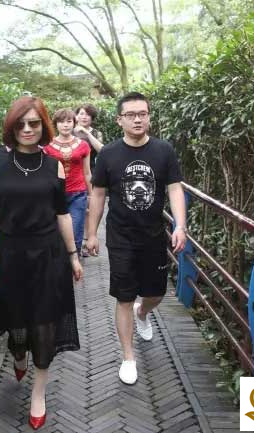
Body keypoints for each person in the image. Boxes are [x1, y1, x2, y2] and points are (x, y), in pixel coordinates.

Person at [0, 96, 82, 430]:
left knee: (44, 323)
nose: (27, 129)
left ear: (43, 126)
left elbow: (62, 213)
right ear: (11, 127)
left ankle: (39, 393)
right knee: (18, 325)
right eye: (21, 124)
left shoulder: (54, 164)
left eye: (34, 123)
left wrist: (73, 255)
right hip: (11, 253)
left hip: (49, 255)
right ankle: (18, 352)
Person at [85, 92, 187, 385]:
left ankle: (143, 313)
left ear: (149, 117)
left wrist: (180, 225)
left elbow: (174, 189)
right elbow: (99, 194)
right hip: (120, 236)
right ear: (120, 120)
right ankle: (128, 357)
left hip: (154, 235)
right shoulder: (108, 154)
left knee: (156, 293)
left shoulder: (164, 150)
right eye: (131, 115)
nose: (138, 119)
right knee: (124, 296)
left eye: (143, 113)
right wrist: (91, 234)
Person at [43, 109, 91, 255]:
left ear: (74, 123)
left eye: (69, 121)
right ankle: (58, 264)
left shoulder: (83, 145)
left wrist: (91, 195)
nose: (65, 125)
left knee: (75, 232)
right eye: (61, 122)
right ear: (55, 124)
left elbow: (87, 172)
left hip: (78, 194)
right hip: (54, 195)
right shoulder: (47, 146)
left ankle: (73, 263)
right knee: (55, 233)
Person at [73, 104, 104, 256]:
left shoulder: (96, 133)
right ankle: (75, 242)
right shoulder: (68, 130)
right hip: (72, 172)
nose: (84, 117)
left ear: (92, 118)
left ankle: (87, 240)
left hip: (90, 172)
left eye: (87, 115)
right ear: (76, 116)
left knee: (89, 208)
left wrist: (86, 133)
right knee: (77, 208)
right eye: (81, 114)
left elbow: (102, 150)